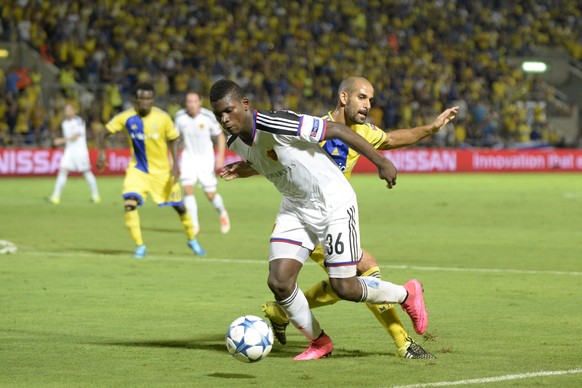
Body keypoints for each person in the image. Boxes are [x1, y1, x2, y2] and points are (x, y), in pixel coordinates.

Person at [211, 79, 427, 361]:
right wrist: (246, 168)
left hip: (333, 203)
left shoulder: (278, 122)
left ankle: (407, 293)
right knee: (279, 282)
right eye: (219, 115)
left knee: (345, 287)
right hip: (295, 208)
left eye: (228, 111)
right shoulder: (234, 140)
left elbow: (335, 129)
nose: (225, 119)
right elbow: (270, 158)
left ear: (245, 105)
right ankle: (319, 342)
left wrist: (381, 162)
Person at [261, 76, 459, 359]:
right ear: (344, 97)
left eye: (371, 100)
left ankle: (281, 310)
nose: (368, 105)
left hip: (333, 218)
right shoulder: (315, 129)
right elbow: (276, 157)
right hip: (307, 220)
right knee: (364, 268)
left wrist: (431, 128)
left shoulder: (363, 132)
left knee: (347, 282)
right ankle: (403, 342)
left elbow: (390, 139)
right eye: (362, 98)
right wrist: (244, 167)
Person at [96, 83, 205, 259]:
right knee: (129, 204)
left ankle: (192, 239)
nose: (145, 101)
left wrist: (175, 166)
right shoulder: (126, 117)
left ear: (152, 100)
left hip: (162, 172)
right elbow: (102, 134)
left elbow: (173, 140)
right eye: (141, 98)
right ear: (136, 99)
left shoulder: (162, 118)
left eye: (148, 98)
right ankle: (140, 246)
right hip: (137, 170)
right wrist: (102, 154)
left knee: (180, 208)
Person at [174, 91, 230, 236]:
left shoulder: (208, 116)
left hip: (206, 159)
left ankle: (222, 213)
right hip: (188, 157)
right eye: (189, 101)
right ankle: (194, 225)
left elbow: (220, 135)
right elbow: (174, 138)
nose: (191, 104)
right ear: (186, 103)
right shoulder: (180, 117)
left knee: (210, 194)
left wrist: (221, 157)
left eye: (194, 101)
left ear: (200, 102)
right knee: (187, 190)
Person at [48, 103, 101, 205]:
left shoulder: (78, 121)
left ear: (73, 111)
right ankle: (55, 197)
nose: (67, 112)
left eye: (69, 109)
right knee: (62, 170)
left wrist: (61, 141)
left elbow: (76, 136)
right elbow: (69, 139)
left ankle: (96, 195)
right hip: (69, 151)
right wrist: (63, 142)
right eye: (66, 110)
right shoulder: (64, 123)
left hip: (80, 151)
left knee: (86, 172)